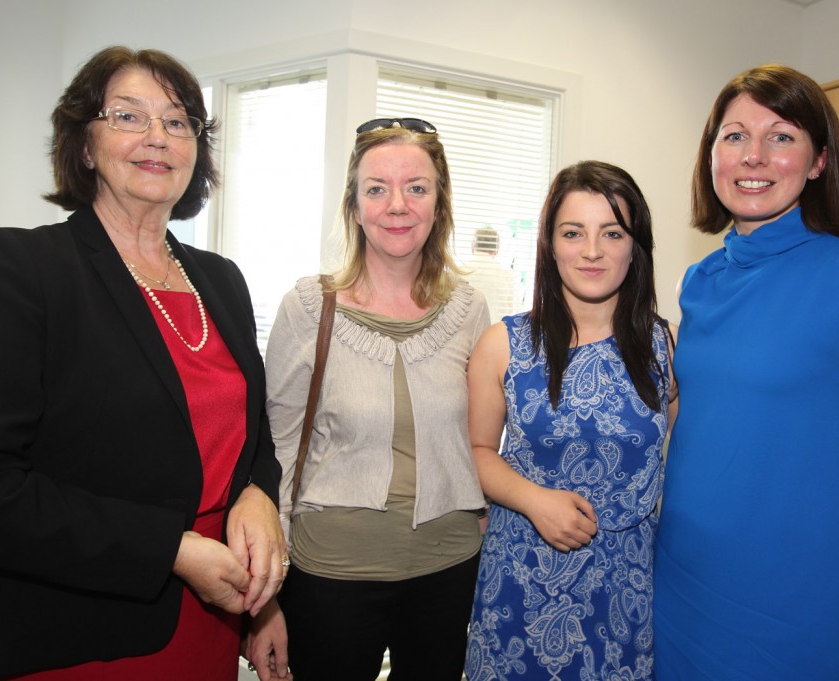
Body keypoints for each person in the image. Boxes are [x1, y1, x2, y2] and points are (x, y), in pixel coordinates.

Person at [0, 46, 287, 680]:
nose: (157, 138)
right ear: (84, 146)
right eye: (128, 116)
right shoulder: (20, 269)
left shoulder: (221, 281)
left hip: (211, 622)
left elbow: (248, 445)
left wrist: (259, 500)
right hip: (68, 636)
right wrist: (166, 547)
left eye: (177, 120)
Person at [653, 65, 839, 680]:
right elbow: (700, 427)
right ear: (711, 156)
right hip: (680, 589)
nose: (754, 156)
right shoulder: (698, 281)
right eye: (734, 136)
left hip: (798, 613)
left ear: (818, 161)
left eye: (781, 137)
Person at [245, 117, 489, 681]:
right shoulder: (310, 306)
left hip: (448, 568)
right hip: (331, 573)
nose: (397, 205)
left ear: (438, 202)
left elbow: (484, 437)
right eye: (377, 188)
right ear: (354, 206)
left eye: (417, 188)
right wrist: (267, 598)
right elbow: (276, 448)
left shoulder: (471, 310)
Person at [464, 160, 677, 680]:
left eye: (612, 233)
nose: (592, 251)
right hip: (522, 579)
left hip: (630, 587)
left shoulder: (666, 346)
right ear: (549, 244)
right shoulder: (503, 344)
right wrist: (535, 501)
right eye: (573, 232)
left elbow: (688, 455)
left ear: (636, 245)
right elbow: (476, 453)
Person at [466, 226, 519, 322]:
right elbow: (514, 313)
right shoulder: (507, 277)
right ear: (496, 250)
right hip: (497, 334)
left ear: (473, 246)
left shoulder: (459, 273)